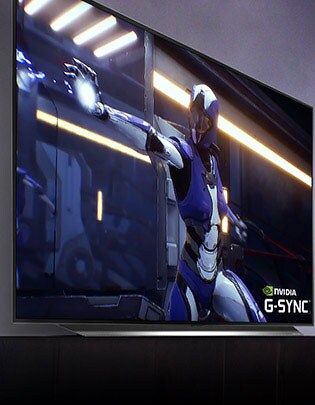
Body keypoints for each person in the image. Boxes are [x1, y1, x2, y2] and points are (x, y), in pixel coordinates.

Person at [63, 58, 266, 323]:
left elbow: (220, 205)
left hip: (216, 276)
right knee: (179, 349)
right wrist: (103, 111)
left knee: (257, 323)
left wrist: (237, 224)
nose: (196, 125)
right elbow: (151, 138)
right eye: (193, 116)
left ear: (212, 123)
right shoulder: (184, 155)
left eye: (202, 120)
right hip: (191, 280)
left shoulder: (213, 164)